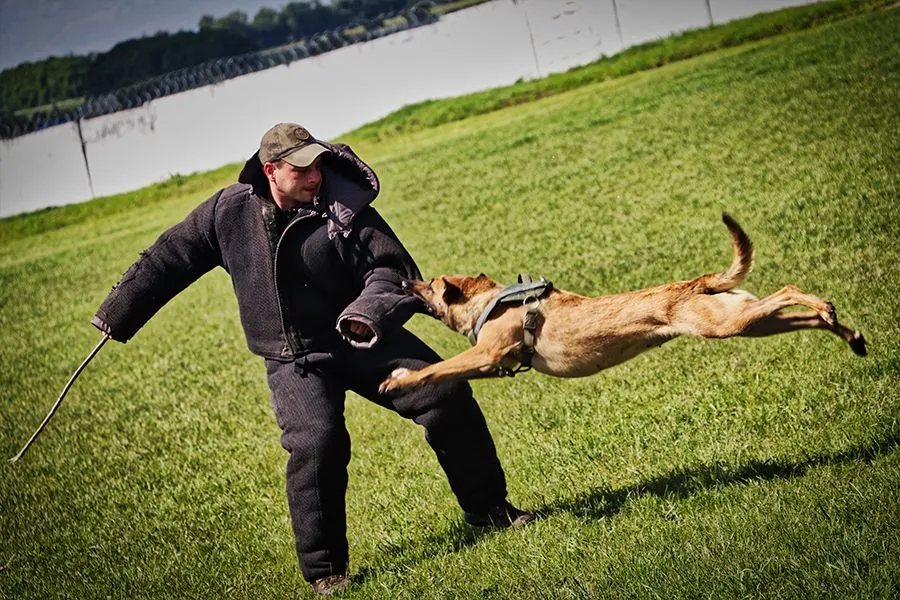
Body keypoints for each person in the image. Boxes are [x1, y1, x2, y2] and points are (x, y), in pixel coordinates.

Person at [91, 123, 534, 595]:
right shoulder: (227, 212)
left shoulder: (346, 207)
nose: (314, 175)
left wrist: (367, 313)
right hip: (293, 357)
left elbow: (391, 270)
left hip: (362, 338)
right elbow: (170, 257)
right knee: (317, 444)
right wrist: (118, 314)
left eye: (318, 164)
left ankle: (488, 509)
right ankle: (326, 572)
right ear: (271, 171)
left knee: (444, 391)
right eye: (301, 168)